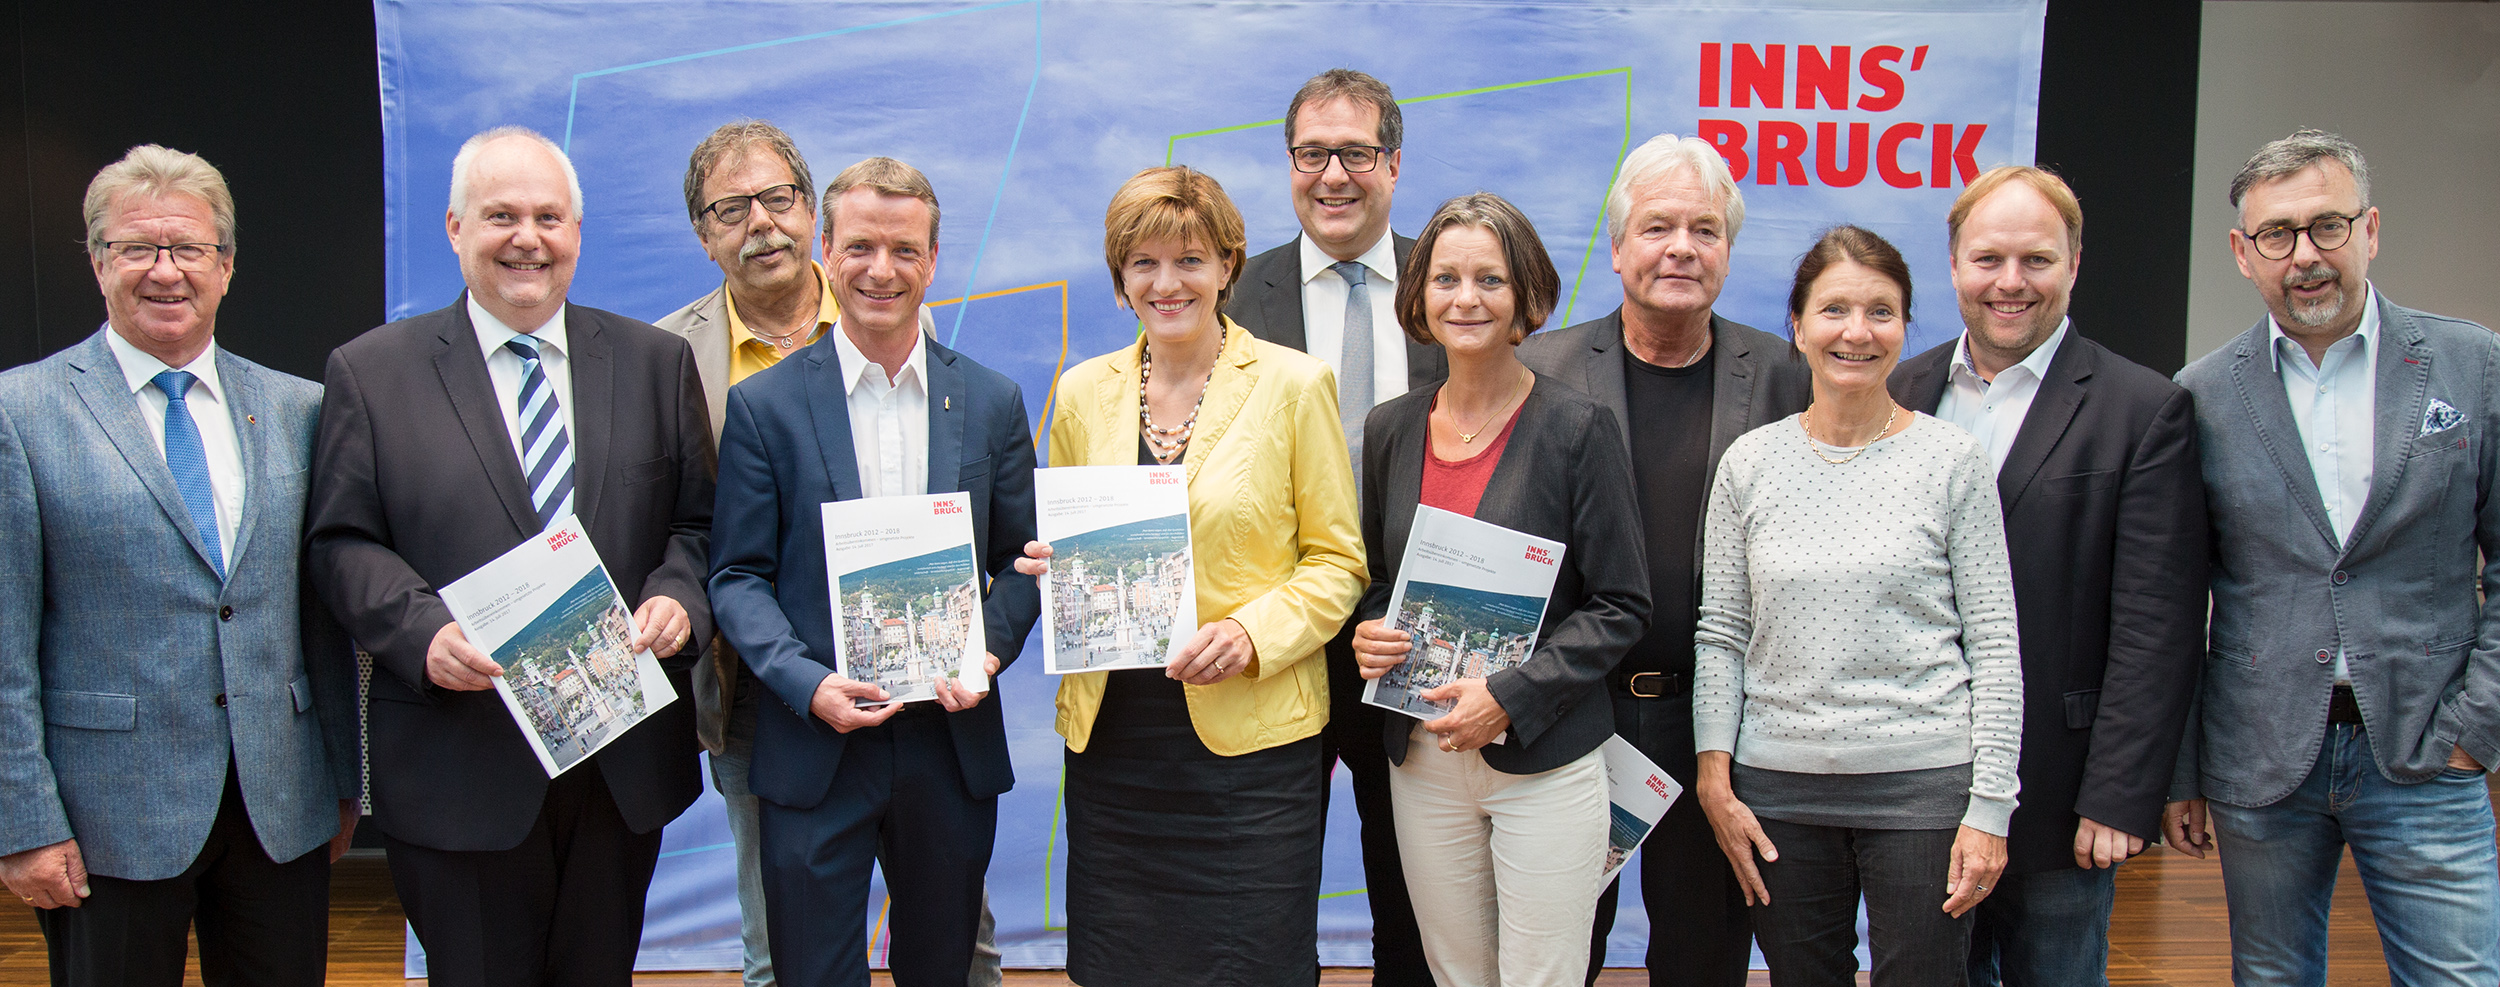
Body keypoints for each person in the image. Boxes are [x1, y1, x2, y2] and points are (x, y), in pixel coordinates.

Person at [306, 126, 714, 987]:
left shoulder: (653, 362)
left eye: (549, 217)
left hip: (618, 767)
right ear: (454, 228)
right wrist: (419, 633)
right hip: (461, 761)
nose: (528, 238)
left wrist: (680, 596)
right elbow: (341, 543)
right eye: (501, 216)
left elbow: (698, 527)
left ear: (575, 231)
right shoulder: (372, 372)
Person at [0, 144, 359, 985]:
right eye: (138, 248)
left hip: (280, 805)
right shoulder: (20, 413)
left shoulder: (298, 406)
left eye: (188, 249)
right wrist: (21, 819)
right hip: (107, 819)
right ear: (97, 264)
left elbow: (319, 613)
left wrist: (343, 777)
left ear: (226, 267)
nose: (165, 271)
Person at [656, 122, 1000, 987]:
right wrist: (802, 681)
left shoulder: (983, 395)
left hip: (944, 727)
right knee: (793, 958)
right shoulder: (713, 382)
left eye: (775, 199)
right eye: (732, 209)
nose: (880, 268)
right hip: (780, 715)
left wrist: (987, 645)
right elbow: (725, 564)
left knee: (957, 957)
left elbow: (1018, 561)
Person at [1016, 166, 1365, 987]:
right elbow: (1061, 537)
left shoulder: (1292, 384)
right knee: (1120, 963)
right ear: (1119, 278)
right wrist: (1049, 567)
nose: (1166, 283)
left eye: (1190, 260)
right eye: (1143, 263)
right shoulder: (1080, 392)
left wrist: (1251, 634)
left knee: (1251, 965)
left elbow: (1339, 562)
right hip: (1117, 742)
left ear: (1228, 266)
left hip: (1249, 749)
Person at [2167, 129, 2500, 986]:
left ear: (2372, 230)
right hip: (2261, 759)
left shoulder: (2471, 364)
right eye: (2277, 234)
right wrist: (2184, 768)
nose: (2304, 255)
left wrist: (2477, 729)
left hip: (2428, 748)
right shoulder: (2200, 394)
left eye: (2327, 226)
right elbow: (2170, 599)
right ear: (2244, 254)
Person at [1887, 166, 2207, 987]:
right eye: (1988, 258)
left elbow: (2156, 622)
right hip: (1911, 786)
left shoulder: (2143, 409)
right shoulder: (1898, 390)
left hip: (2062, 796)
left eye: (2036, 259)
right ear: (1954, 264)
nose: (2010, 282)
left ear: (2074, 264)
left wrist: (2119, 794)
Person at [1693, 225, 2022, 987]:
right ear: (1799, 327)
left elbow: (1996, 645)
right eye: (1834, 309)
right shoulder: (1750, 463)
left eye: (1881, 311)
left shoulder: (1952, 460)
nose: (1857, 331)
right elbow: (1721, 635)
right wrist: (1716, 772)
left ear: (1906, 328)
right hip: (1777, 791)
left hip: (1925, 791)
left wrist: (1990, 808)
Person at [1517, 133, 1809, 987]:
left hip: (1718, 728)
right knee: (1556, 953)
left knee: (1705, 958)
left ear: (1727, 251)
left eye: (1705, 229)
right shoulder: (1542, 371)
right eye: (1657, 227)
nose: (1681, 246)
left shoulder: (1791, 375)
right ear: (1617, 249)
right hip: (1576, 715)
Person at [1347, 191, 1649, 987]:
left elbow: (1622, 604)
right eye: (1445, 278)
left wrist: (1512, 694)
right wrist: (1371, 628)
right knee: (1457, 974)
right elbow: (1381, 582)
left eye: (1489, 279)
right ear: (1419, 296)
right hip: (1422, 755)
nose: (1466, 298)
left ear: (1527, 297)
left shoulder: (1578, 428)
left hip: (1543, 756)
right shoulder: (1391, 427)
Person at [1222, 70, 1443, 982]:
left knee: (1419, 896)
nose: (1333, 175)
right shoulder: (1235, 294)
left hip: (1418, 634)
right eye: (1312, 154)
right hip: (1277, 636)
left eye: (1355, 153)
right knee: (1267, 897)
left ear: (1394, 163)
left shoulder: (1457, 283)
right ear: (1289, 165)